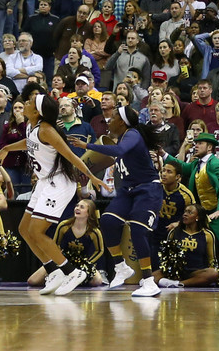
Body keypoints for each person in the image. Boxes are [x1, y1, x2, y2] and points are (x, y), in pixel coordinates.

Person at [0, 85, 105, 295]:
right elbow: (30, 143)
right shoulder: (32, 126)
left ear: (37, 112)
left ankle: (72, 272)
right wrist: (6, 148)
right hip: (44, 182)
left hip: (59, 183)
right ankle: (53, 270)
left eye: (28, 103)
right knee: (24, 229)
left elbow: (71, 156)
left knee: (36, 230)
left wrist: (91, 176)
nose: (24, 104)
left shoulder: (47, 130)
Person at [69, 105, 163, 297]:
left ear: (122, 122)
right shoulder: (123, 137)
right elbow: (109, 156)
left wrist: (86, 145)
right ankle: (121, 267)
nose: (109, 121)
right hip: (128, 191)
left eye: (113, 118)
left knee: (138, 230)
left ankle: (148, 281)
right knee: (108, 220)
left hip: (147, 189)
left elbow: (119, 150)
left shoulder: (133, 134)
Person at [162, 132, 219, 268]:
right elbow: (183, 167)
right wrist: (164, 154)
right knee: (216, 247)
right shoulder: (196, 164)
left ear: (209, 147)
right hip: (209, 212)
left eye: (200, 143)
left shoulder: (217, 164)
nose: (196, 146)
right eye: (196, 143)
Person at [27, 199, 105, 288]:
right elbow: (54, 244)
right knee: (32, 281)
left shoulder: (94, 232)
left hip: (83, 262)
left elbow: (99, 250)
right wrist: (58, 259)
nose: (77, 208)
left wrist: (88, 263)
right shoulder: (64, 226)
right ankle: (62, 278)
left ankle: (74, 280)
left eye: (81, 207)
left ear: (88, 213)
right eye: (77, 206)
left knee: (97, 281)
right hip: (63, 261)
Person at [152, 204, 219, 288]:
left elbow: (212, 259)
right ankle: (174, 281)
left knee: (213, 273)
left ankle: (179, 284)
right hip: (176, 272)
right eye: (185, 212)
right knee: (151, 278)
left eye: (190, 212)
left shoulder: (208, 235)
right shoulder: (174, 232)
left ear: (197, 217)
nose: (185, 214)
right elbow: (166, 256)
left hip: (196, 272)